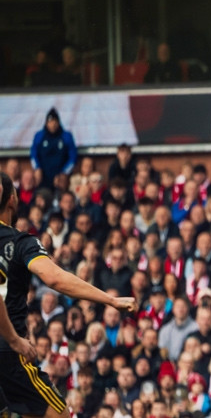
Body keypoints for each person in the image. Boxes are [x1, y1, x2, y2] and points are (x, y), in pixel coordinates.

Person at [0, 172, 137, 418]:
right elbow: (55, 278)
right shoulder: (21, 242)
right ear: (12, 199)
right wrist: (111, 300)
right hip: (8, 353)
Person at [30, 108, 77, 189]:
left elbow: (73, 158)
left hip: (60, 178)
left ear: (58, 122)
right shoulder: (39, 136)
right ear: (46, 123)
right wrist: (37, 168)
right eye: (50, 122)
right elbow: (33, 155)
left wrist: (64, 172)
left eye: (55, 121)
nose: (53, 124)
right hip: (43, 177)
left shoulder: (66, 136)